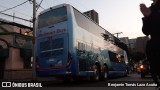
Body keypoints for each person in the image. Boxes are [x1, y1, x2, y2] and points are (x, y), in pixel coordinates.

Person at [140, 0, 160, 89]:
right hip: (154, 46)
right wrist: (146, 18)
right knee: (155, 69)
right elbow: (146, 31)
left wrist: (151, 15)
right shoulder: (150, 8)